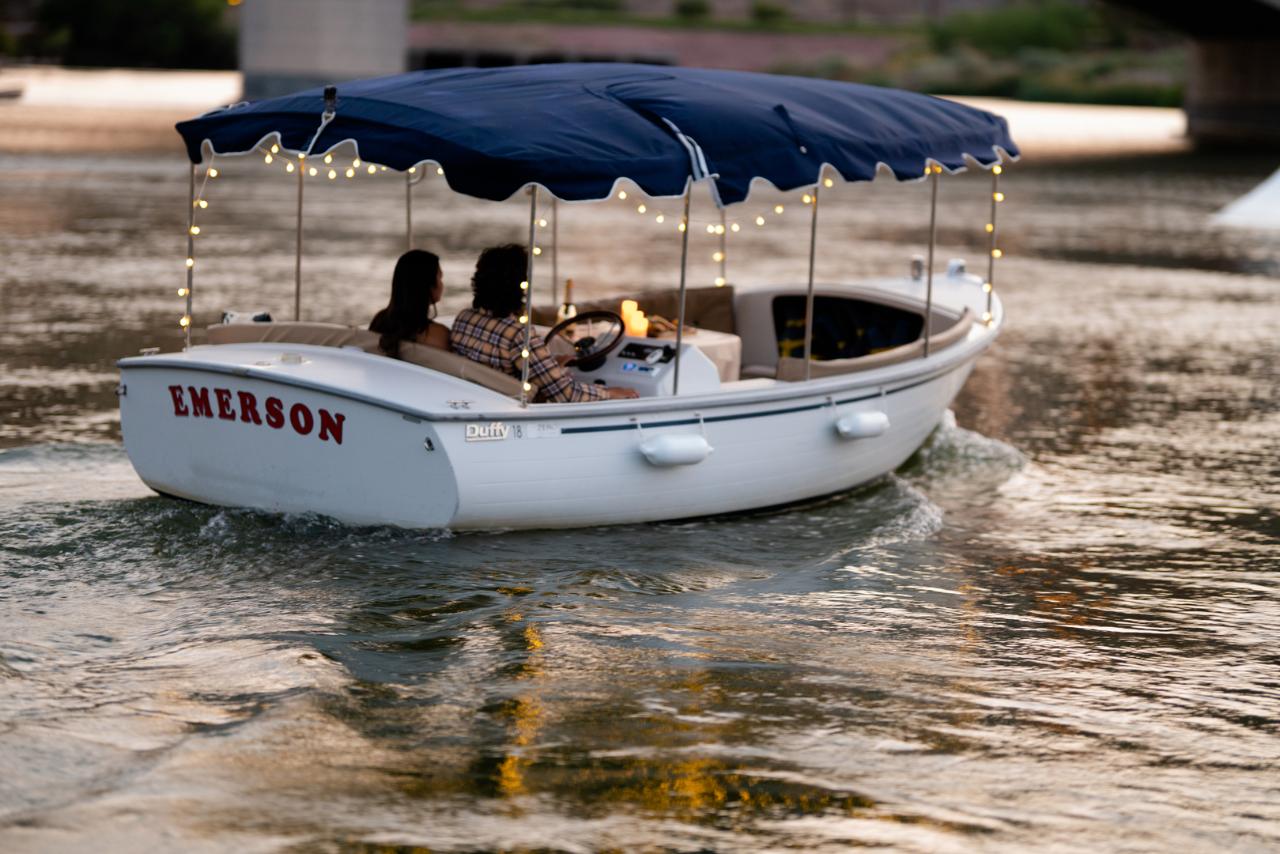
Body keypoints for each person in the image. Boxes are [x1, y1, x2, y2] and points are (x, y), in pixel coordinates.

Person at [451, 244, 638, 402]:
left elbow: (497, 366)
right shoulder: (518, 335)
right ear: (517, 286)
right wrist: (610, 393)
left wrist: (549, 364)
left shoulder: (464, 318)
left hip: (480, 399)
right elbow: (566, 394)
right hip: (512, 409)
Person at [369, 249, 450, 358]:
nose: (442, 284)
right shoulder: (439, 336)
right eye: (440, 277)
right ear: (428, 285)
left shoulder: (379, 321)